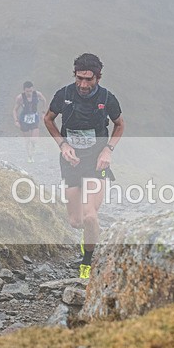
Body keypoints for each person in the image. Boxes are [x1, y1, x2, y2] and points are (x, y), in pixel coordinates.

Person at [44, 53, 125, 279]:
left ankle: (88, 262)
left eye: (89, 79)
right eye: (79, 78)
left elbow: (120, 125)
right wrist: (62, 145)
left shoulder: (108, 98)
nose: (83, 84)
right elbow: (48, 119)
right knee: (76, 220)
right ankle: (90, 237)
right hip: (71, 161)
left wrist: (108, 149)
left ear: (98, 78)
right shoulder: (64, 95)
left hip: (95, 161)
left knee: (90, 216)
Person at [12, 81, 47, 163]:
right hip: (24, 120)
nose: (29, 93)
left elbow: (44, 101)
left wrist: (43, 112)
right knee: (27, 140)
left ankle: (33, 153)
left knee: (34, 139)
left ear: (33, 89)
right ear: (24, 90)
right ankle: (29, 156)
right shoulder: (20, 98)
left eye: (30, 91)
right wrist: (16, 121)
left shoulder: (37, 94)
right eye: (27, 91)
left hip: (34, 118)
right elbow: (14, 110)